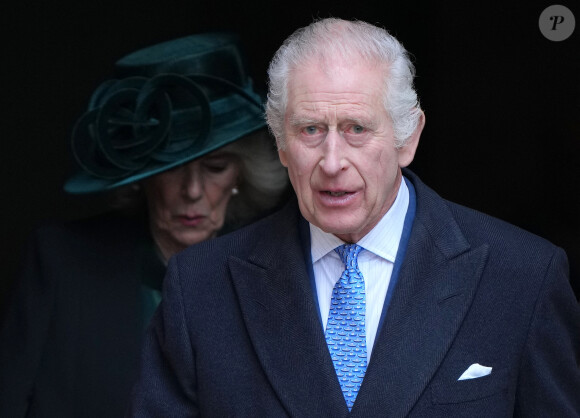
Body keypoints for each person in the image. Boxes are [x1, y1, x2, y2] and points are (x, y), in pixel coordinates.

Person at [127, 18, 580, 417]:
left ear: (408, 138)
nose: (331, 160)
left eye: (356, 129)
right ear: (281, 145)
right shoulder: (201, 287)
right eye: (310, 130)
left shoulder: (523, 277)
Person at [0, 33, 288, 417]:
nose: (192, 191)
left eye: (215, 168)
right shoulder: (60, 263)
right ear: (143, 177)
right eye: (171, 170)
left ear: (242, 175)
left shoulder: (277, 274)